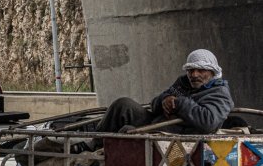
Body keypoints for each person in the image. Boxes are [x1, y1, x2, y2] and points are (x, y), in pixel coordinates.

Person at [95, 49, 233, 135]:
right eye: (191, 70)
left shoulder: (219, 92)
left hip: (176, 135)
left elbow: (208, 121)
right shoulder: (183, 83)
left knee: (127, 131)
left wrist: (178, 103)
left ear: (212, 72)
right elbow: (154, 104)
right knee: (123, 105)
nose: (194, 74)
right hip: (156, 122)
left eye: (201, 70)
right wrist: (164, 100)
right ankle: (92, 144)